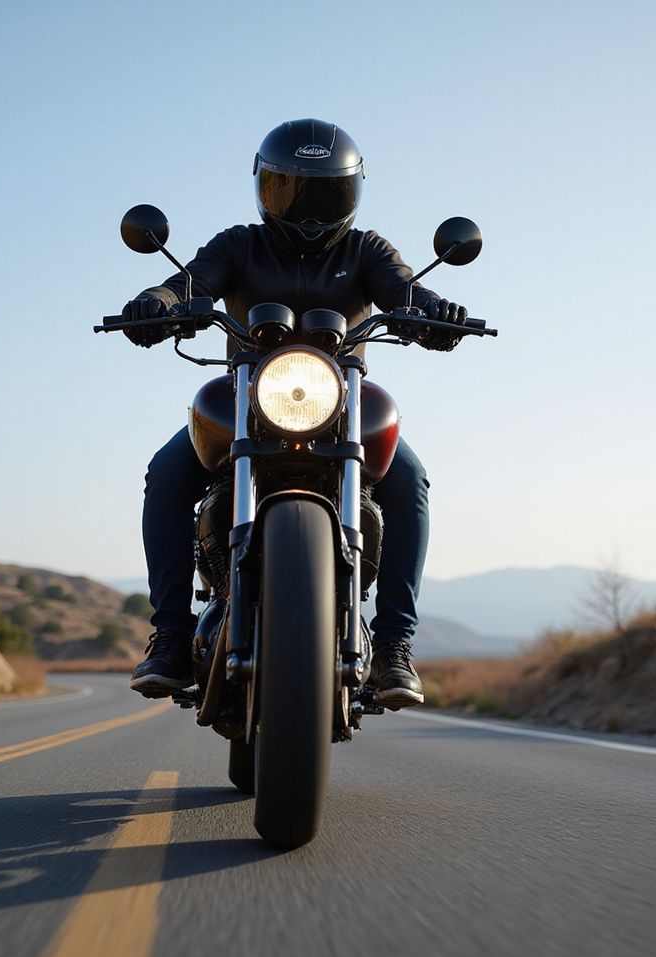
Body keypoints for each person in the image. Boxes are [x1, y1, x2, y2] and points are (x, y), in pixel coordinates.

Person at [121, 118, 467, 709]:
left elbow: (405, 291)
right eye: (292, 191)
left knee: (410, 481)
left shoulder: (368, 250)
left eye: (325, 194)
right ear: (264, 187)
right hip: (246, 401)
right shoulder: (237, 245)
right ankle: (171, 637)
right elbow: (189, 282)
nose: (307, 210)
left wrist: (437, 312)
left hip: (343, 409)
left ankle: (392, 649)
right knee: (167, 473)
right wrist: (158, 303)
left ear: (352, 193)